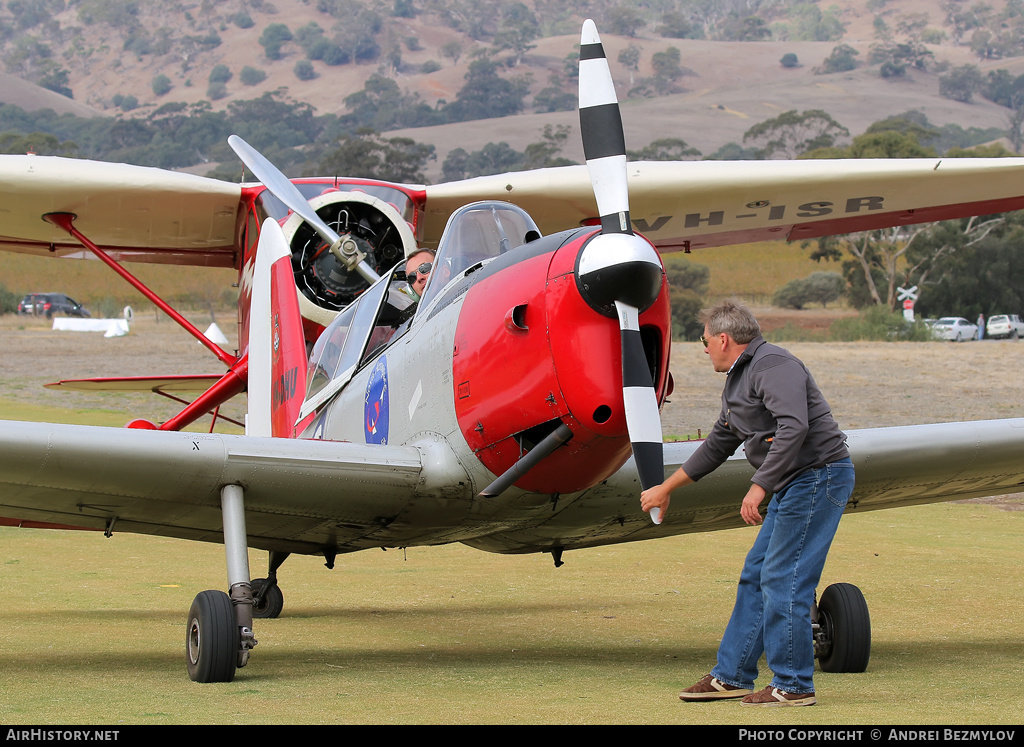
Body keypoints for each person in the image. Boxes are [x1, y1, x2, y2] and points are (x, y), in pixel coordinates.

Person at [640, 299, 854, 708]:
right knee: (756, 574)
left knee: (782, 578)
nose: (703, 350)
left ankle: (793, 686)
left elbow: (794, 426)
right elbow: (719, 442)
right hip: (794, 484)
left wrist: (759, 486)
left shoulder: (773, 365)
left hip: (818, 476)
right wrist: (668, 487)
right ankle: (732, 676)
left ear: (724, 338)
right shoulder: (738, 379)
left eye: (704, 341)